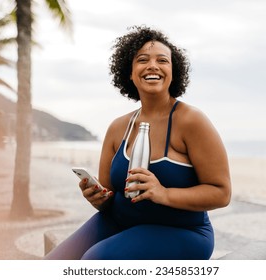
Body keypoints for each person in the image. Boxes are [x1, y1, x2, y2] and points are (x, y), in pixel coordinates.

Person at [45, 25, 231, 260]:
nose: (153, 65)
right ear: (130, 72)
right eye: (142, 60)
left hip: (182, 232)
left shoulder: (191, 121)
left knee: (94, 261)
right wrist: (96, 197)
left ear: (173, 72)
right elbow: (109, 197)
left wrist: (163, 193)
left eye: (162, 60)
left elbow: (221, 193)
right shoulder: (118, 127)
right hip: (120, 222)